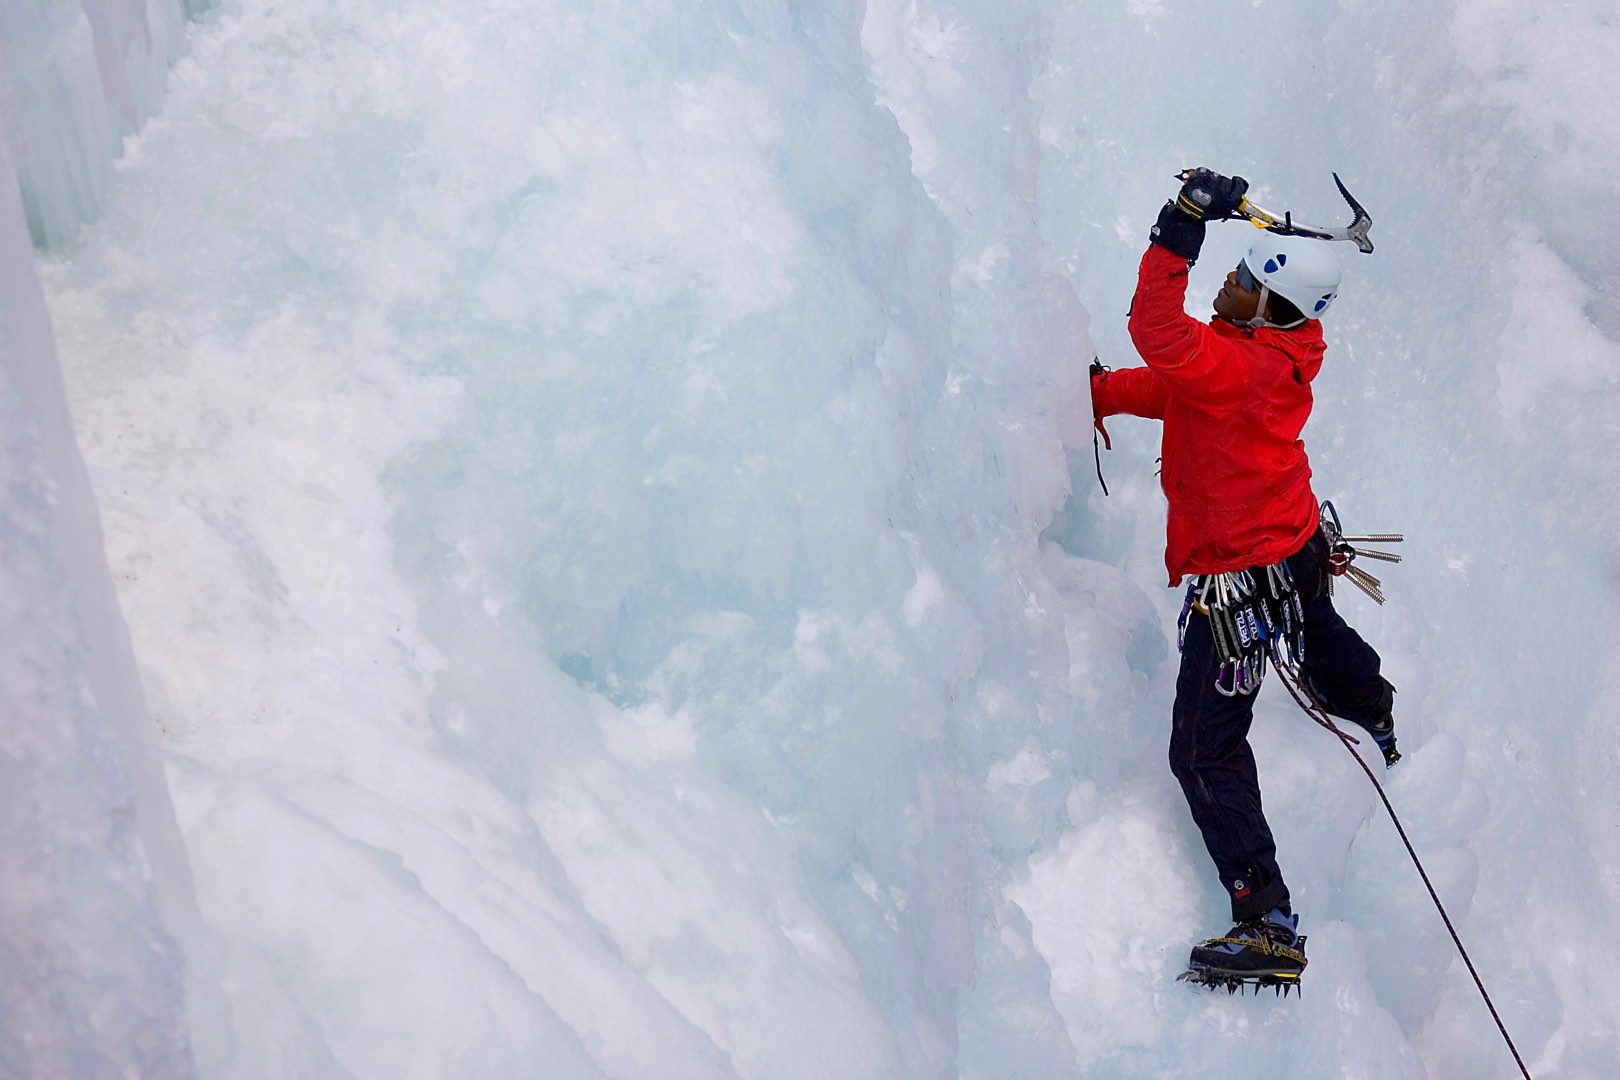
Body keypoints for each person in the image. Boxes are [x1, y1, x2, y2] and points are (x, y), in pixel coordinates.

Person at [1089, 169, 1400, 983]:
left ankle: (1266, 921)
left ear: (1269, 304)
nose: (1222, 285)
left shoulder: (1239, 366)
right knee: (1318, 632)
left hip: (1236, 585)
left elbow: (1160, 336)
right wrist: (1102, 396)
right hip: (1291, 548)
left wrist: (1181, 225)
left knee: (1203, 752)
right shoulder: (1275, 353)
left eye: (1238, 279)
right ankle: (1377, 710)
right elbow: (1178, 385)